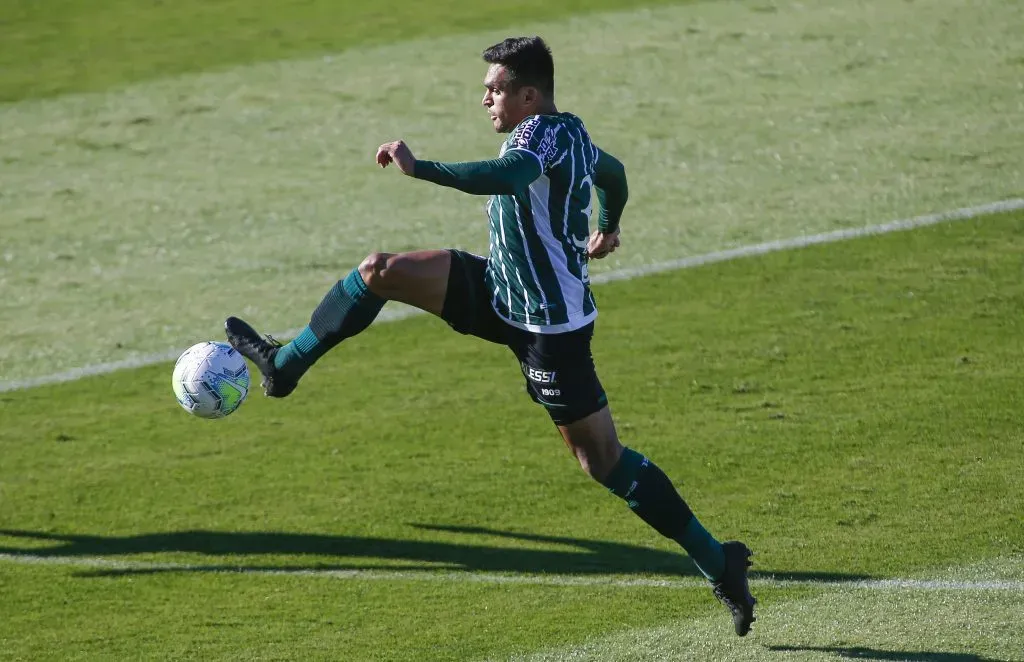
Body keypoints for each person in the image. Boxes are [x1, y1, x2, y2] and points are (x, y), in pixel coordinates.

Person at [225, 36, 757, 636]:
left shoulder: (538, 140)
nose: (485, 99)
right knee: (379, 271)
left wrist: (422, 168)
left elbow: (509, 175)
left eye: (495, 90)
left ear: (528, 95)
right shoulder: (569, 134)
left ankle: (719, 562)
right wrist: (608, 227)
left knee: (603, 462)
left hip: (548, 328)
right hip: (501, 286)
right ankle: (284, 366)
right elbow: (615, 175)